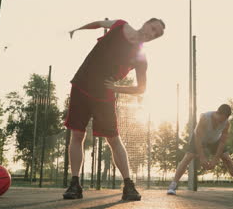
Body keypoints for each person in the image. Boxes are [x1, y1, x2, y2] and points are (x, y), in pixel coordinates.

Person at [63, 18, 165, 200]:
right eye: (153, 28)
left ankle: (128, 185)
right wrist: (77, 28)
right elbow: (100, 23)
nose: (151, 33)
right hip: (81, 85)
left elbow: (141, 88)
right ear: (146, 22)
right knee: (77, 135)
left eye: (156, 34)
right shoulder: (120, 25)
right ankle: (75, 184)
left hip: (103, 96)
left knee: (113, 139)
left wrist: (117, 88)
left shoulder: (141, 57)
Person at [167, 104, 233, 195]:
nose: (220, 123)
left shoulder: (226, 123)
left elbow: (222, 142)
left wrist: (215, 159)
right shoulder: (204, 117)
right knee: (188, 156)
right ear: (217, 113)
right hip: (199, 139)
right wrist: (202, 157)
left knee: (227, 158)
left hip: (215, 140)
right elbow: (198, 138)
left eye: (223, 120)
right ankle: (173, 185)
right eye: (219, 120)